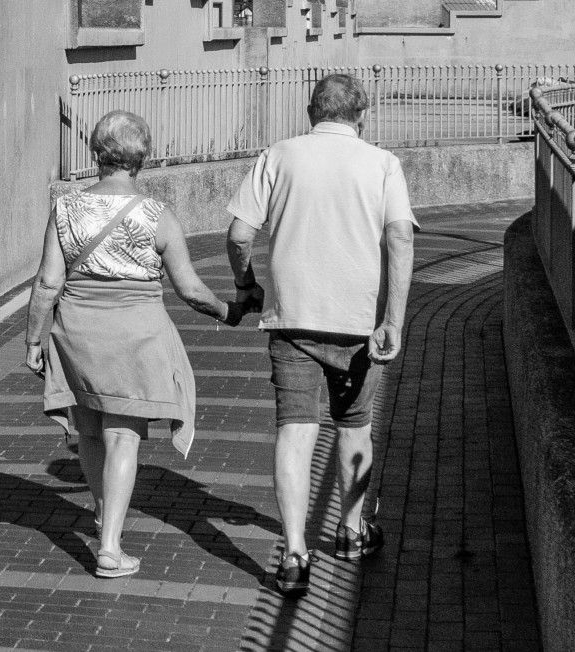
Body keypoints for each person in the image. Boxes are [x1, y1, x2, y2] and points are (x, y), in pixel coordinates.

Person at [27, 110, 256, 578]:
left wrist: (34, 339)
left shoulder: (66, 209)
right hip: (135, 334)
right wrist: (228, 312)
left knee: (89, 431)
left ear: (96, 153)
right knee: (122, 436)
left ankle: (102, 514)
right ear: (143, 159)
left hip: (78, 333)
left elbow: (48, 284)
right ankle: (109, 547)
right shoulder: (158, 216)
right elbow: (190, 289)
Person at [227, 71, 416, 597]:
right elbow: (400, 237)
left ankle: (292, 553)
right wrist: (394, 318)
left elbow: (241, 232)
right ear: (362, 115)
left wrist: (247, 284)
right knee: (354, 427)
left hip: (293, 320)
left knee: (296, 430)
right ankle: (353, 533)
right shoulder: (382, 164)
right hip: (360, 323)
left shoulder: (279, 155)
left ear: (313, 111)